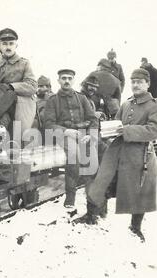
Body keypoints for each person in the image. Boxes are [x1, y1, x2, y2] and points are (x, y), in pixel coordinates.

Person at [86, 68, 157, 241]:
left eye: (139, 82)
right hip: (117, 150)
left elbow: (156, 130)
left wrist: (127, 130)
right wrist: (107, 129)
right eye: (133, 81)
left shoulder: (154, 106)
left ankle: (135, 227)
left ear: (147, 84)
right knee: (101, 179)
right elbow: (117, 123)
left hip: (139, 154)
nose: (135, 85)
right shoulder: (126, 104)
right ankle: (91, 215)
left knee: (140, 191)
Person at [44, 69, 99, 222]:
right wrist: (66, 131)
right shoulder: (52, 100)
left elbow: (93, 119)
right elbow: (48, 124)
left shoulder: (81, 99)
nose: (66, 81)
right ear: (58, 81)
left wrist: (90, 135)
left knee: (96, 155)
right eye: (63, 78)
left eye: (69, 78)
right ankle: (70, 198)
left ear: (74, 80)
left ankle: (95, 202)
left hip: (83, 134)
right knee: (73, 155)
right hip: (63, 135)